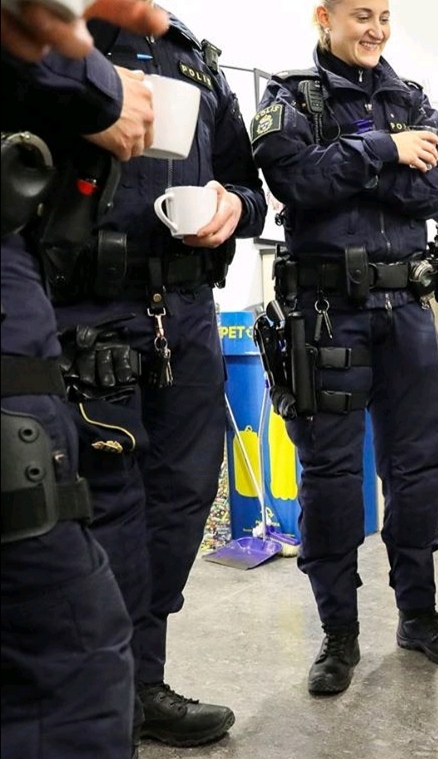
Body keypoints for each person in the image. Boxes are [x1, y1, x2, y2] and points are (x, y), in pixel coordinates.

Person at [47, 2, 268, 747]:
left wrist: (233, 205)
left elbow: (249, 185)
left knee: (183, 497)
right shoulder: (58, 38)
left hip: (186, 309)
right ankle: (102, 695)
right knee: (105, 503)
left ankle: (142, 684)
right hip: (86, 306)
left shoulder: (196, 57)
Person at [251, 0, 438, 696]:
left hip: (405, 308)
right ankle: (339, 634)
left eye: (384, 15)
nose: (375, 29)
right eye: (360, 15)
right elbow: (294, 180)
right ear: (325, 17)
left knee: (418, 469)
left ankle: (418, 615)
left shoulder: (411, 98)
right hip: (325, 314)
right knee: (331, 476)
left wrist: (358, 167)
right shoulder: (291, 94)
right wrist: (385, 150)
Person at [2, 2, 167, 758]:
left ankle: (149, 691)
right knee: (66, 665)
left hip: (148, 300)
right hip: (64, 299)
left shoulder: (192, 54)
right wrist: (96, 86)